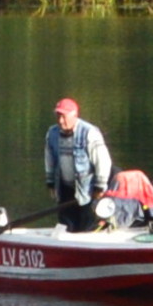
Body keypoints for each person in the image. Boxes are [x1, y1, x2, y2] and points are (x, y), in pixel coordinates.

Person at [43, 95, 117, 231]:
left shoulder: (89, 132)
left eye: (64, 116)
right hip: (65, 189)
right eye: (58, 116)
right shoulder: (52, 133)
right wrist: (50, 182)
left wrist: (99, 187)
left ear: (74, 115)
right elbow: (49, 159)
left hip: (87, 191)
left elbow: (103, 161)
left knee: (87, 228)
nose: (60, 120)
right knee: (66, 227)